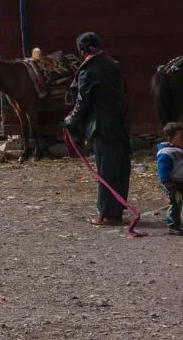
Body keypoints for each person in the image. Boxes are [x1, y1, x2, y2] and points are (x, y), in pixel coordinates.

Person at [60, 31, 131, 227]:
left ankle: (107, 215)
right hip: (120, 124)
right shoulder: (114, 65)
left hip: (101, 126)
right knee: (119, 168)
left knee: (105, 171)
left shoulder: (88, 71)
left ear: (81, 50)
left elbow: (83, 102)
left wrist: (69, 121)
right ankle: (116, 209)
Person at [156, 120, 183, 235]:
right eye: (181, 137)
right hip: (173, 184)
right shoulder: (166, 153)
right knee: (176, 204)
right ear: (170, 138)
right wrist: (166, 181)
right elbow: (163, 169)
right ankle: (173, 225)